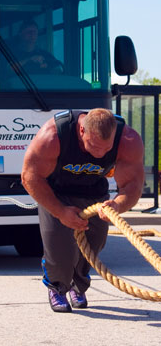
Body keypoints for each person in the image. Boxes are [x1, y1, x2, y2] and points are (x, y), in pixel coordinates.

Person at [21, 108, 144, 313]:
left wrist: (118, 204)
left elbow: (132, 185)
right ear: (81, 131)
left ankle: (78, 285)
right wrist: (60, 212)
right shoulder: (54, 136)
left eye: (107, 148)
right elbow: (29, 177)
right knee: (61, 250)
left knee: (94, 246)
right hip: (56, 193)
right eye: (94, 146)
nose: (100, 154)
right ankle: (57, 287)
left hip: (94, 193)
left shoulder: (128, 140)